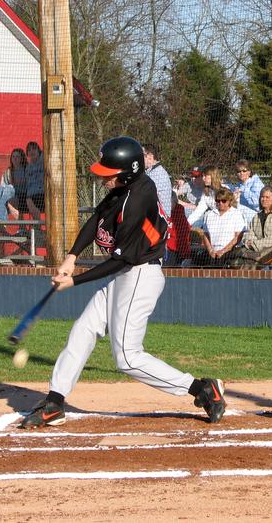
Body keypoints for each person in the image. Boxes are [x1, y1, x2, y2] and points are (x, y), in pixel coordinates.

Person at [19, 136, 226, 429]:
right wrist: (71, 257)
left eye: (110, 174)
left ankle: (202, 388)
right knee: (83, 329)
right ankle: (55, 401)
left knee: (127, 357)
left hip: (140, 274)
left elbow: (121, 260)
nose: (104, 179)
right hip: (126, 273)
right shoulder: (123, 188)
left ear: (128, 173)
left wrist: (75, 282)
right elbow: (96, 219)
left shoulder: (138, 198)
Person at [192, 187, 246, 267]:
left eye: (223, 201)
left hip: (230, 251)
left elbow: (238, 237)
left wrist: (223, 251)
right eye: (218, 201)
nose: (220, 203)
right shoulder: (209, 214)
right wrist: (210, 250)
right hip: (212, 251)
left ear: (229, 201)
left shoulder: (237, 214)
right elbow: (206, 235)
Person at [0, 148, 26, 221]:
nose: (15, 159)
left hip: (22, 195)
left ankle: (0, 216)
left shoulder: (25, 170)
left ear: (22, 158)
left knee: (8, 188)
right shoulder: (8, 171)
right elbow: (3, 184)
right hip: (8, 194)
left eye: (17, 157)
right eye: (13, 157)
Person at [142, 143, 172, 217]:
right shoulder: (152, 171)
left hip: (159, 218)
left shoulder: (157, 173)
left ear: (150, 157)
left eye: (142, 155)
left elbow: (144, 197)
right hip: (157, 215)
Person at [230, 159, 264, 223]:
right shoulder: (239, 185)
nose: (241, 173)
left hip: (256, 217)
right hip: (243, 218)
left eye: (244, 171)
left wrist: (243, 191)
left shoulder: (256, 182)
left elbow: (257, 202)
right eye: (239, 171)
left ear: (249, 172)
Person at [166, 191, 191, 266]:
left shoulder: (179, 210)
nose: (169, 205)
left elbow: (183, 230)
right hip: (168, 246)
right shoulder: (163, 210)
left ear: (175, 201)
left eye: (171, 202)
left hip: (178, 245)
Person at [24, 141, 45, 220]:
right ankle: (37, 225)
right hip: (32, 196)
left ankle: (37, 224)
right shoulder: (28, 168)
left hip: (43, 194)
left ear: (38, 151)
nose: (31, 151)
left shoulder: (43, 161)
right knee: (27, 200)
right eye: (29, 150)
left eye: (34, 149)